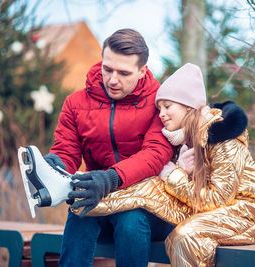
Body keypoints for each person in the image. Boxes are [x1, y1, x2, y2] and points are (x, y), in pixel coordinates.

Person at [79, 63, 255, 266]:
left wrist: (174, 176)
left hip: (247, 213)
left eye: (168, 106)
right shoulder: (179, 142)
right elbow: (161, 191)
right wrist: (95, 194)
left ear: (188, 106)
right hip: (207, 211)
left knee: (185, 236)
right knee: (147, 206)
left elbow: (218, 198)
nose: (161, 114)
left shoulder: (224, 140)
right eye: (159, 108)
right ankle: (87, 196)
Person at [43, 28, 174, 267]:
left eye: (124, 73)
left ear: (142, 70)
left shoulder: (161, 101)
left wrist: (111, 178)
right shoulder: (76, 103)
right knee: (80, 211)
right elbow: (67, 149)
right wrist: (56, 165)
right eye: (107, 69)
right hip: (98, 199)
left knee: (130, 220)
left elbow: (155, 154)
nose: (113, 80)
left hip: (148, 205)